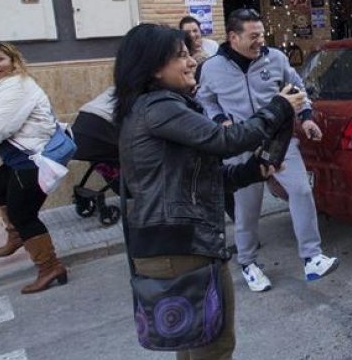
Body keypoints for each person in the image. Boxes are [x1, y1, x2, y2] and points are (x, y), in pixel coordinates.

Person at [114, 23, 302, 359]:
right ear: (154, 67)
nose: (191, 62)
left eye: (190, 53)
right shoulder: (159, 107)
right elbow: (225, 140)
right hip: (181, 249)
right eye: (181, 56)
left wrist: (251, 171)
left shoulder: (151, 108)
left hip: (172, 246)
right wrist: (278, 108)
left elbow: (201, 179)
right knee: (213, 347)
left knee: (193, 346)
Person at [197, 9, 338, 293]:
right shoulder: (212, 68)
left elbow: (297, 88)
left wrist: (307, 117)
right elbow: (206, 100)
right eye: (253, 36)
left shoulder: (275, 58)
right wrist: (218, 120)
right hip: (240, 146)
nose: (260, 40)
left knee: (300, 191)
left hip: (279, 142)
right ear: (233, 37)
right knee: (247, 210)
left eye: (261, 34)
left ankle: (312, 257)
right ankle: (249, 263)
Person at [0, 41, 69, 293]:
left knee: (24, 214)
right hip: (20, 158)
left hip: (33, 160)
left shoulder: (16, 85)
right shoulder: (2, 86)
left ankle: (50, 268)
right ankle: (15, 234)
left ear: (13, 61)